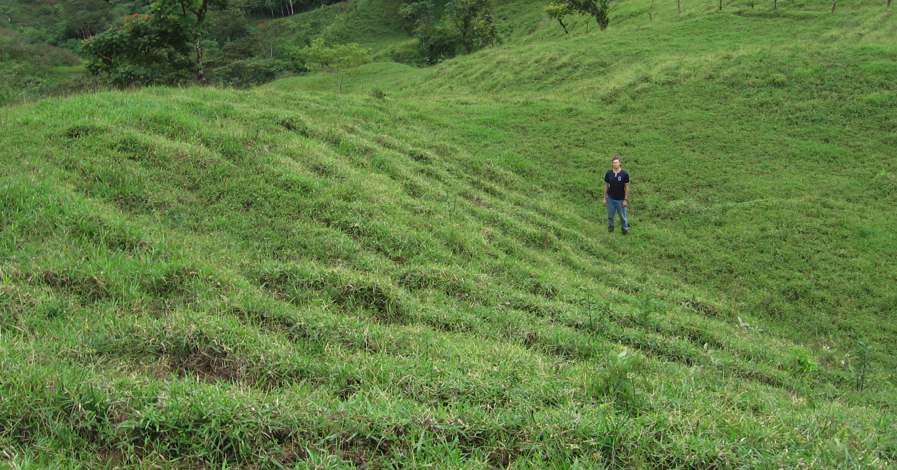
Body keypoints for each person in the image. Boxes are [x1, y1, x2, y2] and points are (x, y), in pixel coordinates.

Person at [603, 155, 630, 234]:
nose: (615, 164)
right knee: (610, 216)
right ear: (612, 164)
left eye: (616, 162)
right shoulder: (609, 173)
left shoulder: (624, 174)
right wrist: (605, 198)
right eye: (614, 163)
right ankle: (610, 230)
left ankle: (625, 230)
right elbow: (606, 186)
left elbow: (627, 187)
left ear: (620, 163)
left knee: (623, 217)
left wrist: (625, 199)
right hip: (611, 199)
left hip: (621, 200)